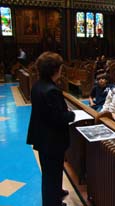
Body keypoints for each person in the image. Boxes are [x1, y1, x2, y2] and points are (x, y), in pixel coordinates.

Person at [27, 52, 75, 206]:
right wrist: (71, 115)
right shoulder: (51, 90)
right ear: (55, 70)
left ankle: (57, 191)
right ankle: (52, 202)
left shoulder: (38, 85)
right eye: (60, 67)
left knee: (52, 170)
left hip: (43, 137)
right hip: (52, 140)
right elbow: (57, 118)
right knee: (51, 173)